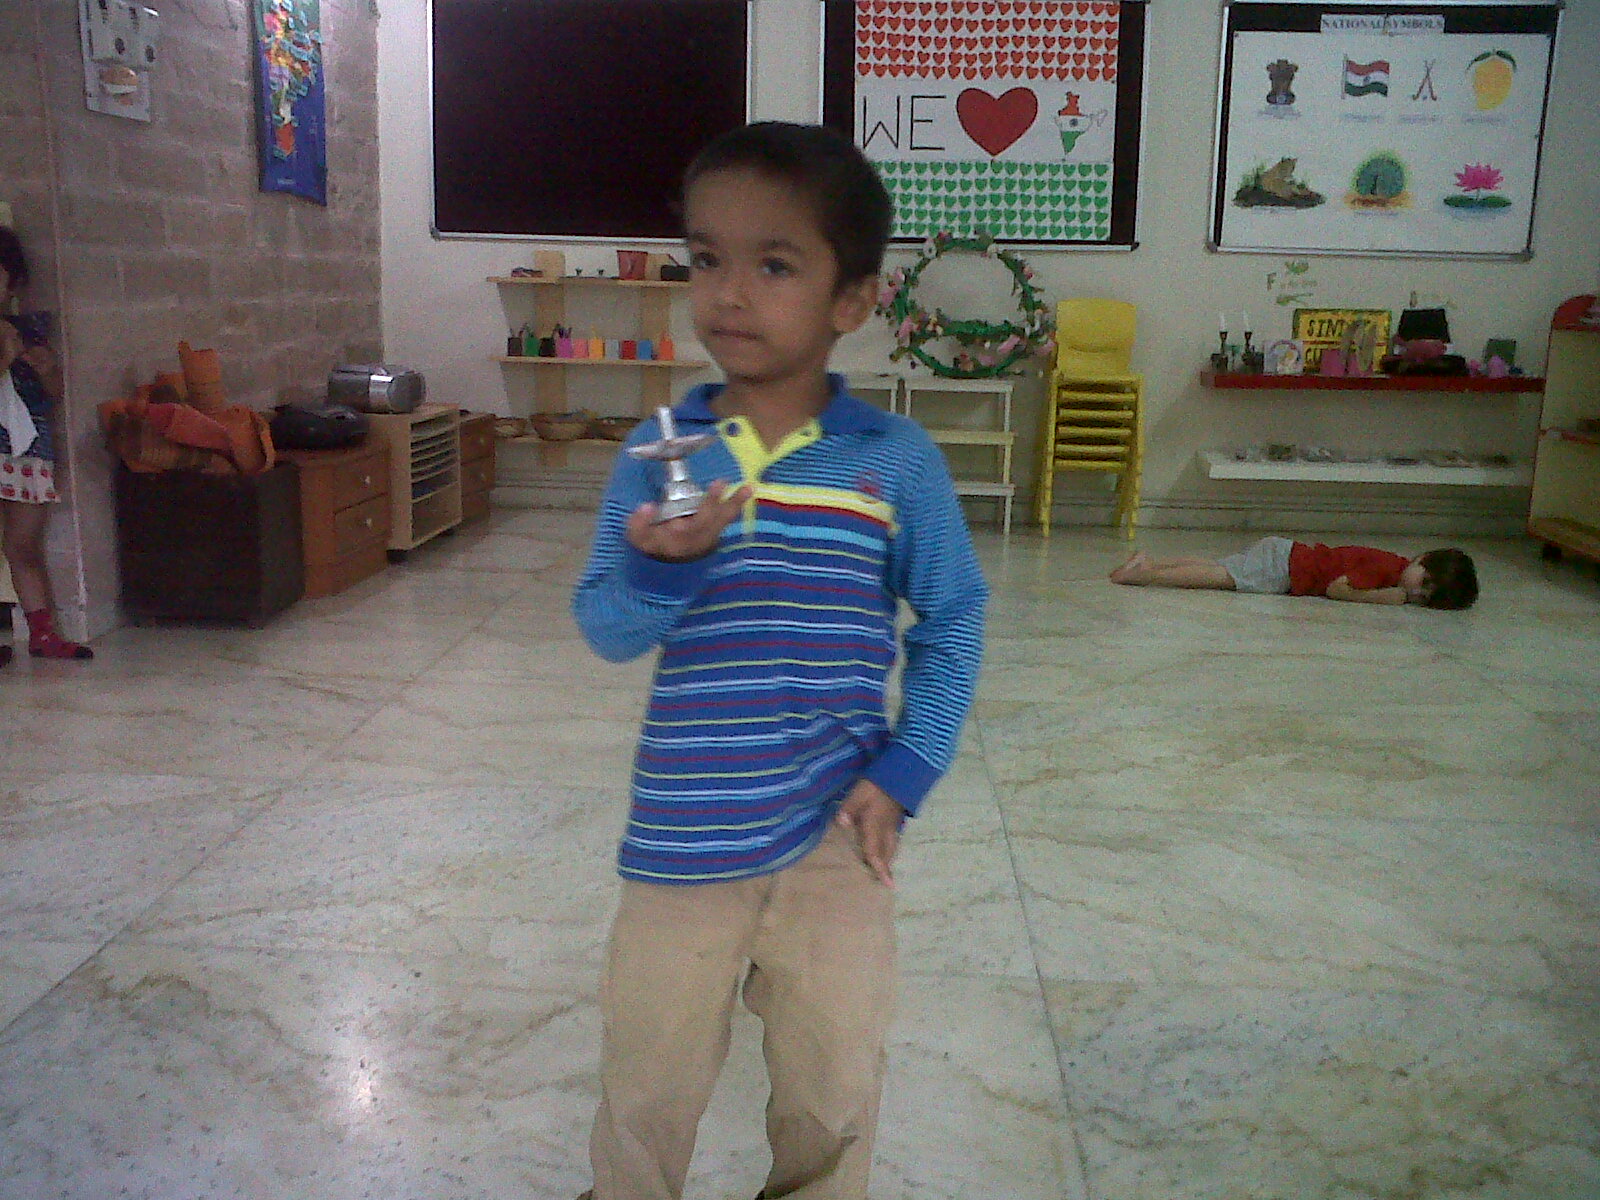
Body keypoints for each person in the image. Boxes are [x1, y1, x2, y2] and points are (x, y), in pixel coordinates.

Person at [570, 122, 986, 1200]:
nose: (728, 293)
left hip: (837, 838)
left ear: (854, 299)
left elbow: (954, 620)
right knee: (645, 1087)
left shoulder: (894, 463)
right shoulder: (662, 452)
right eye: (707, 257)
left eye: (775, 264)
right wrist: (662, 571)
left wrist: (907, 769)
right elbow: (606, 626)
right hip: (683, 835)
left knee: (833, 1089)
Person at [0, 225, 92, 665]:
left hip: (27, 450)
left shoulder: (31, 329)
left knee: (24, 544)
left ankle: (43, 633)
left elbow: (54, 394)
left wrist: (47, 369)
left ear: (12, 281)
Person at [1110, 537, 1478, 609]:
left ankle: (1153, 563)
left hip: (1286, 553)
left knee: (1220, 566)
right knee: (1222, 577)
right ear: (1422, 558)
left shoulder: (1393, 564)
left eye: (1426, 598)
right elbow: (1338, 589)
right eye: (1424, 583)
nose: (1416, 594)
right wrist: (1384, 598)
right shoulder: (1386, 570)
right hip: (1287, 569)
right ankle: (1147, 575)